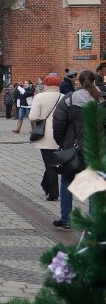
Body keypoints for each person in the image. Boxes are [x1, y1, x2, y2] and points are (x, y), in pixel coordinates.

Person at [51, 70, 103, 229]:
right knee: (94, 183)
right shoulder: (101, 99)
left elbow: (58, 125)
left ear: (78, 82)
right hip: (95, 148)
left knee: (67, 180)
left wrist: (63, 144)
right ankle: (93, 221)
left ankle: (66, 218)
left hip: (72, 147)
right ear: (94, 81)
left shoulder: (68, 100)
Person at [29, 74, 63, 202]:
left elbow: (32, 117)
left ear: (46, 84)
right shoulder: (63, 97)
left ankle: (53, 192)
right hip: (60, 135)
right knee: (53, 163)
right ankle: (45, 184)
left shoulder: (39, 97)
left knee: (49, 164)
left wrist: (41, 118)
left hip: (45, 135)